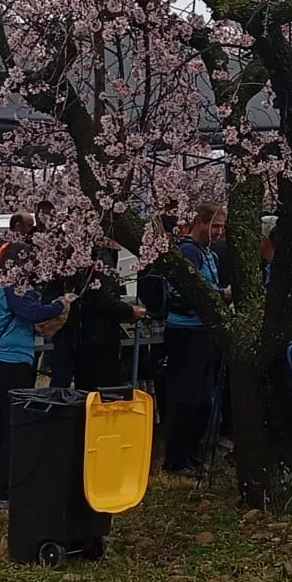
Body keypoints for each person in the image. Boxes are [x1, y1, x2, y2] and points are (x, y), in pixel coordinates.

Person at [0, 259, 71, 509]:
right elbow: (32, 312)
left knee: (0, 426)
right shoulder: (13, 288)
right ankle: (6, 491)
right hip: (12, 363)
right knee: (12, 428)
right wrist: (59, 304)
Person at [156, 204, 227, 475]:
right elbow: (188, 291)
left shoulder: (209, 254)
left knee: (203, 400)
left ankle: (194, 452)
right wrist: (220, 295)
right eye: (215, 226)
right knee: (185, 397)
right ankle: (177, 458)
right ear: (199, 223)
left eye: (222, 227)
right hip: (185, 330)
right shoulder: (188, 251)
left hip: (205, 331)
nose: (219, 232)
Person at [63, 243, 143, 394]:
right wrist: (129, 311)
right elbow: (104, 299)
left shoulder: (82, 253)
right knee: (107, 389)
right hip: (101, 335)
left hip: (81, 333)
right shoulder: (101, 258)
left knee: (86, 391)